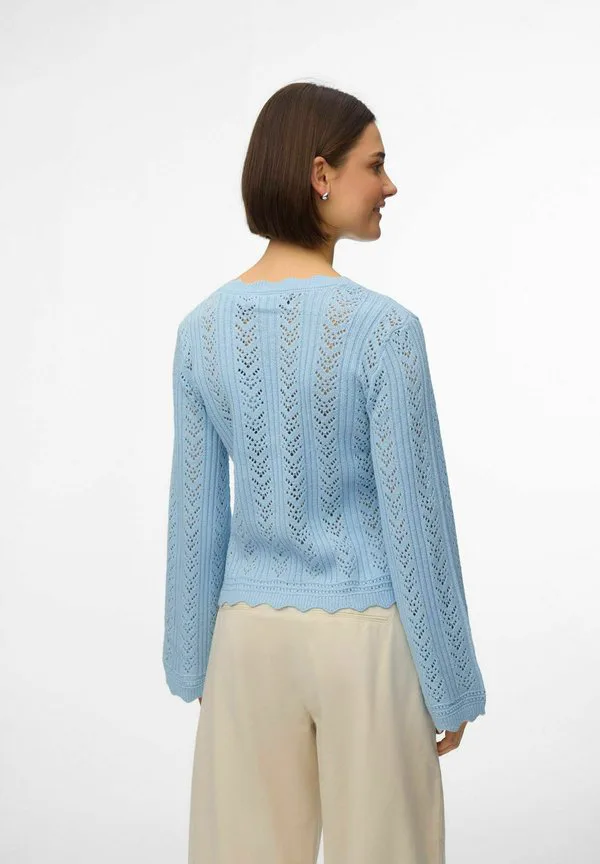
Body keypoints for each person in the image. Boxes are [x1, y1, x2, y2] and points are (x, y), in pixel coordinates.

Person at [162, 81, 487, 864]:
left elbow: (196, 516)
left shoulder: (201, 331)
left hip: (245, 644)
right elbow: (417, 521)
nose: (389, 185)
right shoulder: (384, 331)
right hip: (363, 643)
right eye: (375, 166)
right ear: (320, 175)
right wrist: (449, 680)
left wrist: (193, 661)